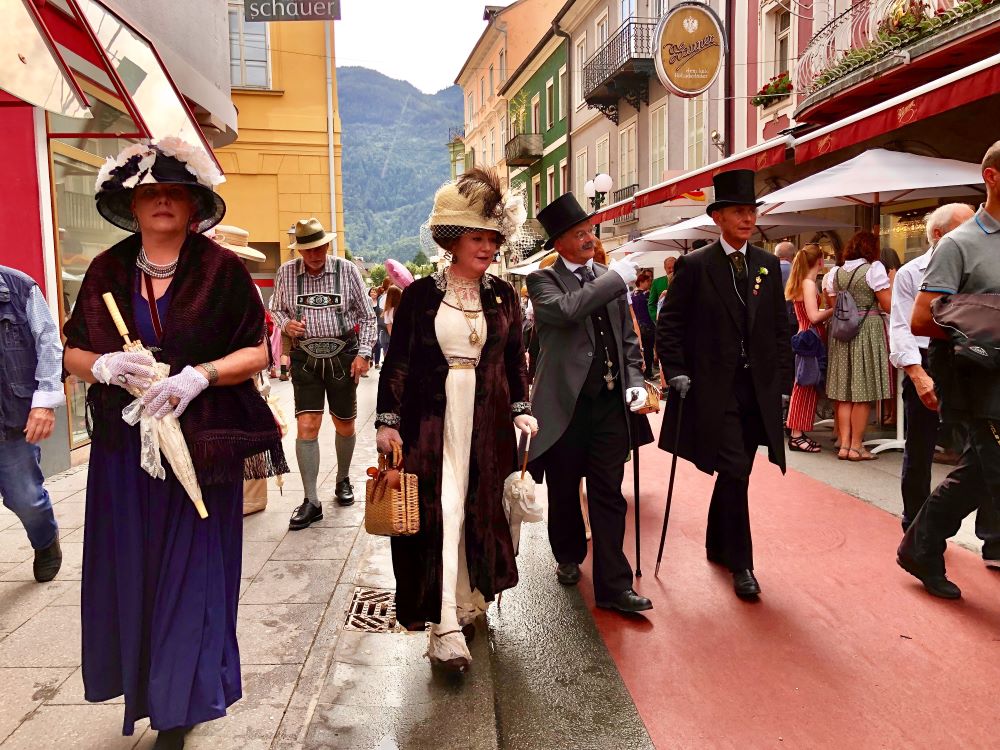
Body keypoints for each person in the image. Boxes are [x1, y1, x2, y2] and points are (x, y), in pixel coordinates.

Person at [62, 138, 287, 748]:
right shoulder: (106, 270)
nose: (161, 200)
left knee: (193, 575)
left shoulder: (223, 271)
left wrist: (201, 375)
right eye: (149, 192)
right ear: (132, 204)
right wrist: (104, 367)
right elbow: (73, 352)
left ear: (192, 206)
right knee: (135, 571)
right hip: (124, 455)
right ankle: (144, 688)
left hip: (202, 453)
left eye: (174, 192)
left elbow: (259, 349)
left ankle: (180, 704)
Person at [374, 168, 535, 671]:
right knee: (437, 512)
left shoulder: (504, 295)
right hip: (429, 423)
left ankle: (468, 599)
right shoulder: (421, 295)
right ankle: (441, 623)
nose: (486, 247)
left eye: (492, 237)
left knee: (475, 508)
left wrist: (521, 408)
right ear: (453, 240)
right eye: (475, 237)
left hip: (486, 424)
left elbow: (514, 360)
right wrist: (387, 421)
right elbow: (397, 361)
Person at [656, 169, 793, 600]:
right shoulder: (696, 266)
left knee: (740, 471)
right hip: (717, 388)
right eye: (739, 211)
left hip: (759, 388)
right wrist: (675, 369)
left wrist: (784, 381)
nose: (748, 219)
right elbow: (670, 325)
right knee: (733, 467)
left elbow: (779, 327)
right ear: (718, 217)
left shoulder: (768, 265)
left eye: (752, 211)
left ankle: (717, 542)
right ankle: (742, 563)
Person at [527, 193, 654, 615]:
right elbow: (567, 311)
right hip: (565, 407)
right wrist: (614, 279)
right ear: (559, 242)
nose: (589, 238)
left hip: (609, 404)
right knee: (564, 490)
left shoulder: (606, 276)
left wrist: (636, 381)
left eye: (590, 231)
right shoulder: (542, 281)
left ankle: (614, 586)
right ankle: (567, 554)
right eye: (579, 233)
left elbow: (629, 339)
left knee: (608, 493)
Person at [897, 145, 1000, 598]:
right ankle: (922, 547)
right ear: (993, 177)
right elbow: (920, 320)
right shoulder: (959, 243)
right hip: (977, 379)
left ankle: (920, 547)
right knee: (992, 471)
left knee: (977, 472)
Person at [270, 218, 377, 527]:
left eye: (319, 248)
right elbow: (276, 308)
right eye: (308, 250)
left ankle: (343, 479)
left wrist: (364, 354)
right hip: (305, 356)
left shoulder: (347, 271)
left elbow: (368, 318)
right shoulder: (287, 273)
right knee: (307, 425)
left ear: (327, 245)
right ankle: (310, 500)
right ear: (300, 250)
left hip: (343, 355)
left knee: (344, 424)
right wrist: (286, 324)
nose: (314, 255)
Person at [0, 265, 63, 583]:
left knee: (25, 498)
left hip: (12, 418)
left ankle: (45, 540)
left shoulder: (19, 287)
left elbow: (49, 343)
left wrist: (45, 403)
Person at [824, 231, 892, 461]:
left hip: (842, 330)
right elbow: (887, 303)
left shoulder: (835, 273)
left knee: (843, 394)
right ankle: (856, 447)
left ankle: (843, 445)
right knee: (862, 394)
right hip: (867, 328)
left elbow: (835, 304)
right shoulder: (874, 270)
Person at [784, 244, 834, 452]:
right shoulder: (808, 284)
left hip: (806, 336)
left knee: (804, 384)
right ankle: (796, 434)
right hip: (810, 337)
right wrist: (833, 309)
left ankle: (798, 432)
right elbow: (814, 317)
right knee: (804, 385)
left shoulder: (801, 282)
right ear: (820, 261)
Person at [631, 270, 656, 378]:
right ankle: (648, 372)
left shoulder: (632, 295)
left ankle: (640, 371)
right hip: (648, 326)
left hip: (637, 327)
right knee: (649, 350)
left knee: (639, 350)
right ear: (641, 282)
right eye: (648, 281)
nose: (649, 284)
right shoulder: (648, 295)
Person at [647, 256, 676, 323]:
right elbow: (651, 304)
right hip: (663, 322)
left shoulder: (684, 281)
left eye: (673, 267)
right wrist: (657, 319)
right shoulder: (657, 282)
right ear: (665, 268)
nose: (671, 270)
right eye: (669, 268)